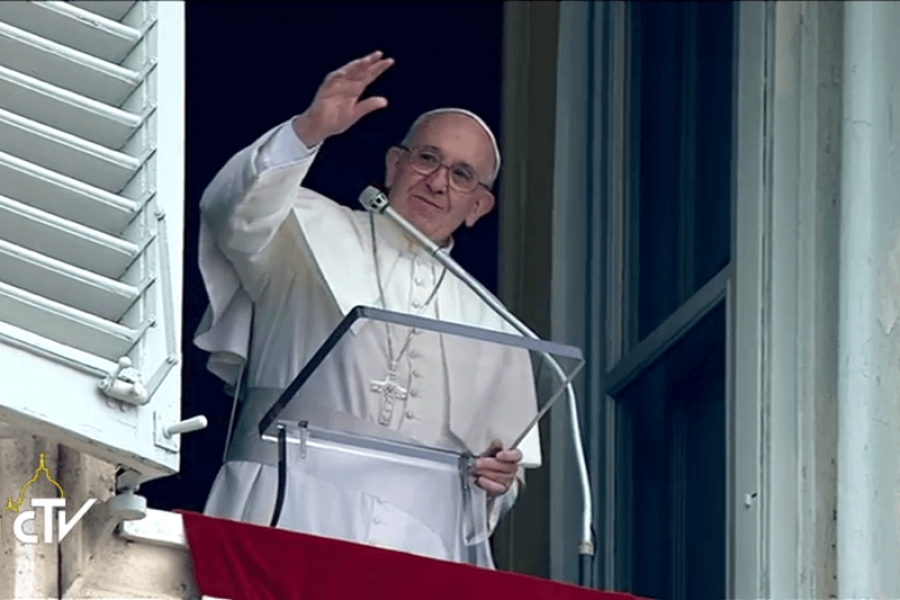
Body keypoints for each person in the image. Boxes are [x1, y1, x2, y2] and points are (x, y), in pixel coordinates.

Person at [193, 51, 542, 567]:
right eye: (427, 158)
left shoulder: (493, 323)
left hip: (419, 546)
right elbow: (232, 209)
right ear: (394, 165)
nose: (438, 182)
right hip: (287, 508)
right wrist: (308, 131)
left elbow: (496, 480)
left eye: (462, 175)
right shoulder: (300, 228)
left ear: (478, 208)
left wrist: (498, 481)